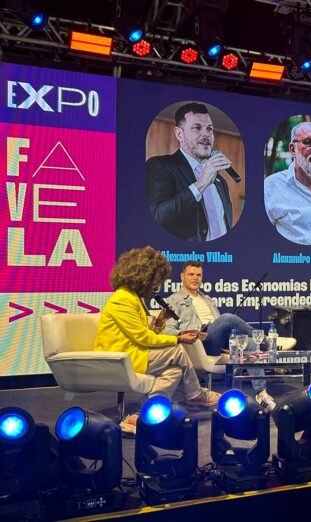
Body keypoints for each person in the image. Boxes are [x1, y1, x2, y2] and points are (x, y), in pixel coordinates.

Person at [94, 246, 220, 434]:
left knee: (174, 371)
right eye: (154, 281)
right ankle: (195, 393)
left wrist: (160, 322)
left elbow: (143, 333)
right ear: (141, 278)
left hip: (134, 353)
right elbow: (143, 338)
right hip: (119, 358)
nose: (156, 287)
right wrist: (177, 338)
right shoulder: (122, 299)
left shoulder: (134, 298)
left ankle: (142, 416)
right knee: (177, 350)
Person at [163, 261, 276, 410]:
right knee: (227, 318)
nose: (195, 278)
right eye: (191, 274)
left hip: (218, 341)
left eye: (198, 275)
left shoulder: (207, 299)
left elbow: (218, 325)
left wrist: (226, 342)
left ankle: (261, 393)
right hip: (199, 344)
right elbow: (167, 330)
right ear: (182, 276)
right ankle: (267, 340)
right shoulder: (173, 301)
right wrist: (187, 333)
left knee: (251, 343)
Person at [146, 102, 234, 242]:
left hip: (222, 254)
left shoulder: (220, 181)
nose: (206, 134)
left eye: (209, 129)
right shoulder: (160, 166)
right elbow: (158, 216)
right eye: (197, 128)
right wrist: (202, 183)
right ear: (179, 134)